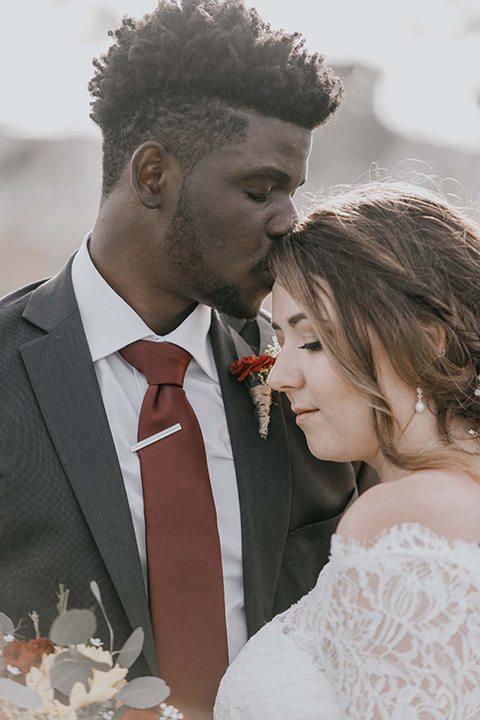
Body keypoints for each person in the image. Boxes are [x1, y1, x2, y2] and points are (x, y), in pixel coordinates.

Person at [0, 2, 373, 718]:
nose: (289, 220)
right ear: (152, 175)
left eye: (294, 191)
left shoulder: (316, 378)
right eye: (261, 190)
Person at [214, 182, 480, 719]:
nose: (280, 377)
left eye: (311, 342)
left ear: (426, 343)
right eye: (278, 343)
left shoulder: (404, 518)